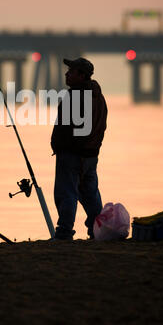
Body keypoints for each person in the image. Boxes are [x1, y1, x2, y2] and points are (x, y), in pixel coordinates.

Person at [51, 57, 108, 240]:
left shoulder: (77, 96)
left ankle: (64, 232)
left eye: (72, 71)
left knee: (66, 193)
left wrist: (61, 146)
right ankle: (97, 231)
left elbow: (69, 129)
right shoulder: (97, 96)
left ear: (82, 76)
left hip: (72, 155)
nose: (67, 74)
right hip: (91, 155)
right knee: (91, 195)